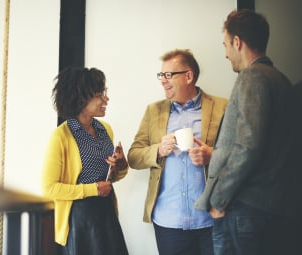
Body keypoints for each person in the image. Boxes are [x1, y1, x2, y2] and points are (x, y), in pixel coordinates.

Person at [194, 9, 296, 255]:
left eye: (226, 45)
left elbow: (248, 145)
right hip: (273, 208)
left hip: (244, 210)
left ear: (237, 42)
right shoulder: (282, 81)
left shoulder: (252, 77)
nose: (226, 54)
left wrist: (220, 199)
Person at [127, 49, 228, 255]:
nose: (163, 81)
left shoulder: (222, 107)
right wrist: (158, 150)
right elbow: (134, 156)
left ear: (188, 76)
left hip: (211, 218)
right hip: (168, 221)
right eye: (161, 76)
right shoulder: (153, 111)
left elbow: (239, 154)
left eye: (168, 75)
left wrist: (212, 155)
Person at [41, 67, 129, 255]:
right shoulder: (61, 136)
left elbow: (109, 178)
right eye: (99, 94)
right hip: (80, 218)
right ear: (80, 98)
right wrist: (93, 189)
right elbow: (49, 188)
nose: (106, 99)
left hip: (106, 212)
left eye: (104, 93)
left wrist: (120, 165)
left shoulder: (105, 129)